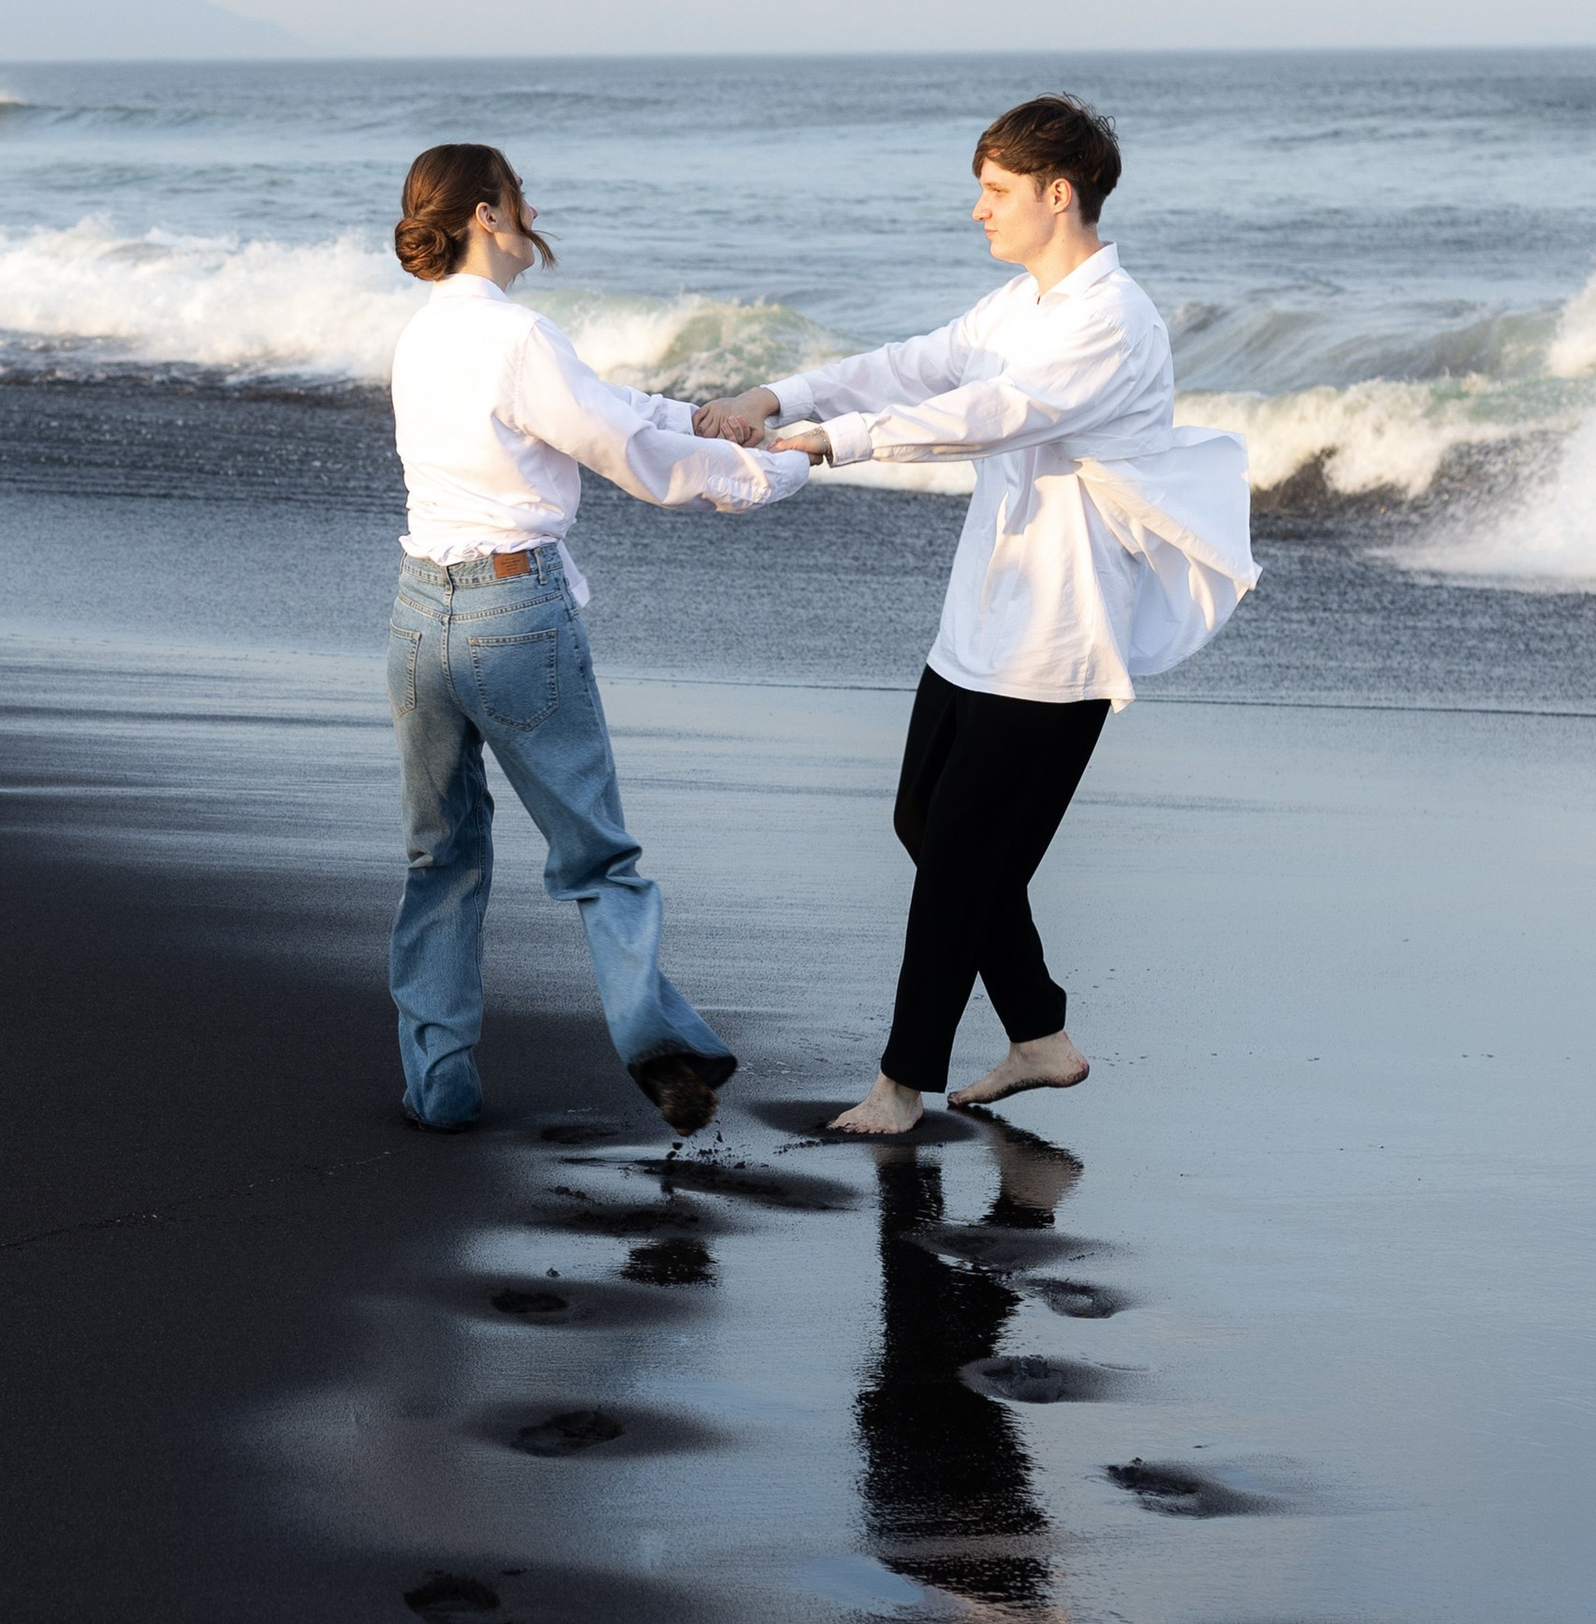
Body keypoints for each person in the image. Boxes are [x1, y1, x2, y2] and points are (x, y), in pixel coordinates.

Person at [695, 95, 1253, 1137]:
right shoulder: (1021, 305)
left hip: (1054, 639)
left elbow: (990, 415)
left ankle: (900, 1085)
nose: (978, 209)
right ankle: (1038, 1032)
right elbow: (917, 363)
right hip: (979, 622)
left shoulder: (1112, 320)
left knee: (959, 860)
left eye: (995, 190)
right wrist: (779, 396)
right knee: (926, 826)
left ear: (1057, 192)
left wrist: (835, 440)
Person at [386, 141, 807, 1135]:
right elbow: (629, 454)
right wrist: (772, 472)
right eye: (519, 198)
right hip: (513, 613)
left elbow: (610, 410)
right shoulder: (519, 337)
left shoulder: (419, 336)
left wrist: (696, 415)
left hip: (416, 617)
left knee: (440, 856)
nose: (531, 215)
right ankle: (661, 1048)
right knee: (594, 856)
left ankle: (438, 1084)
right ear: (487, 214)